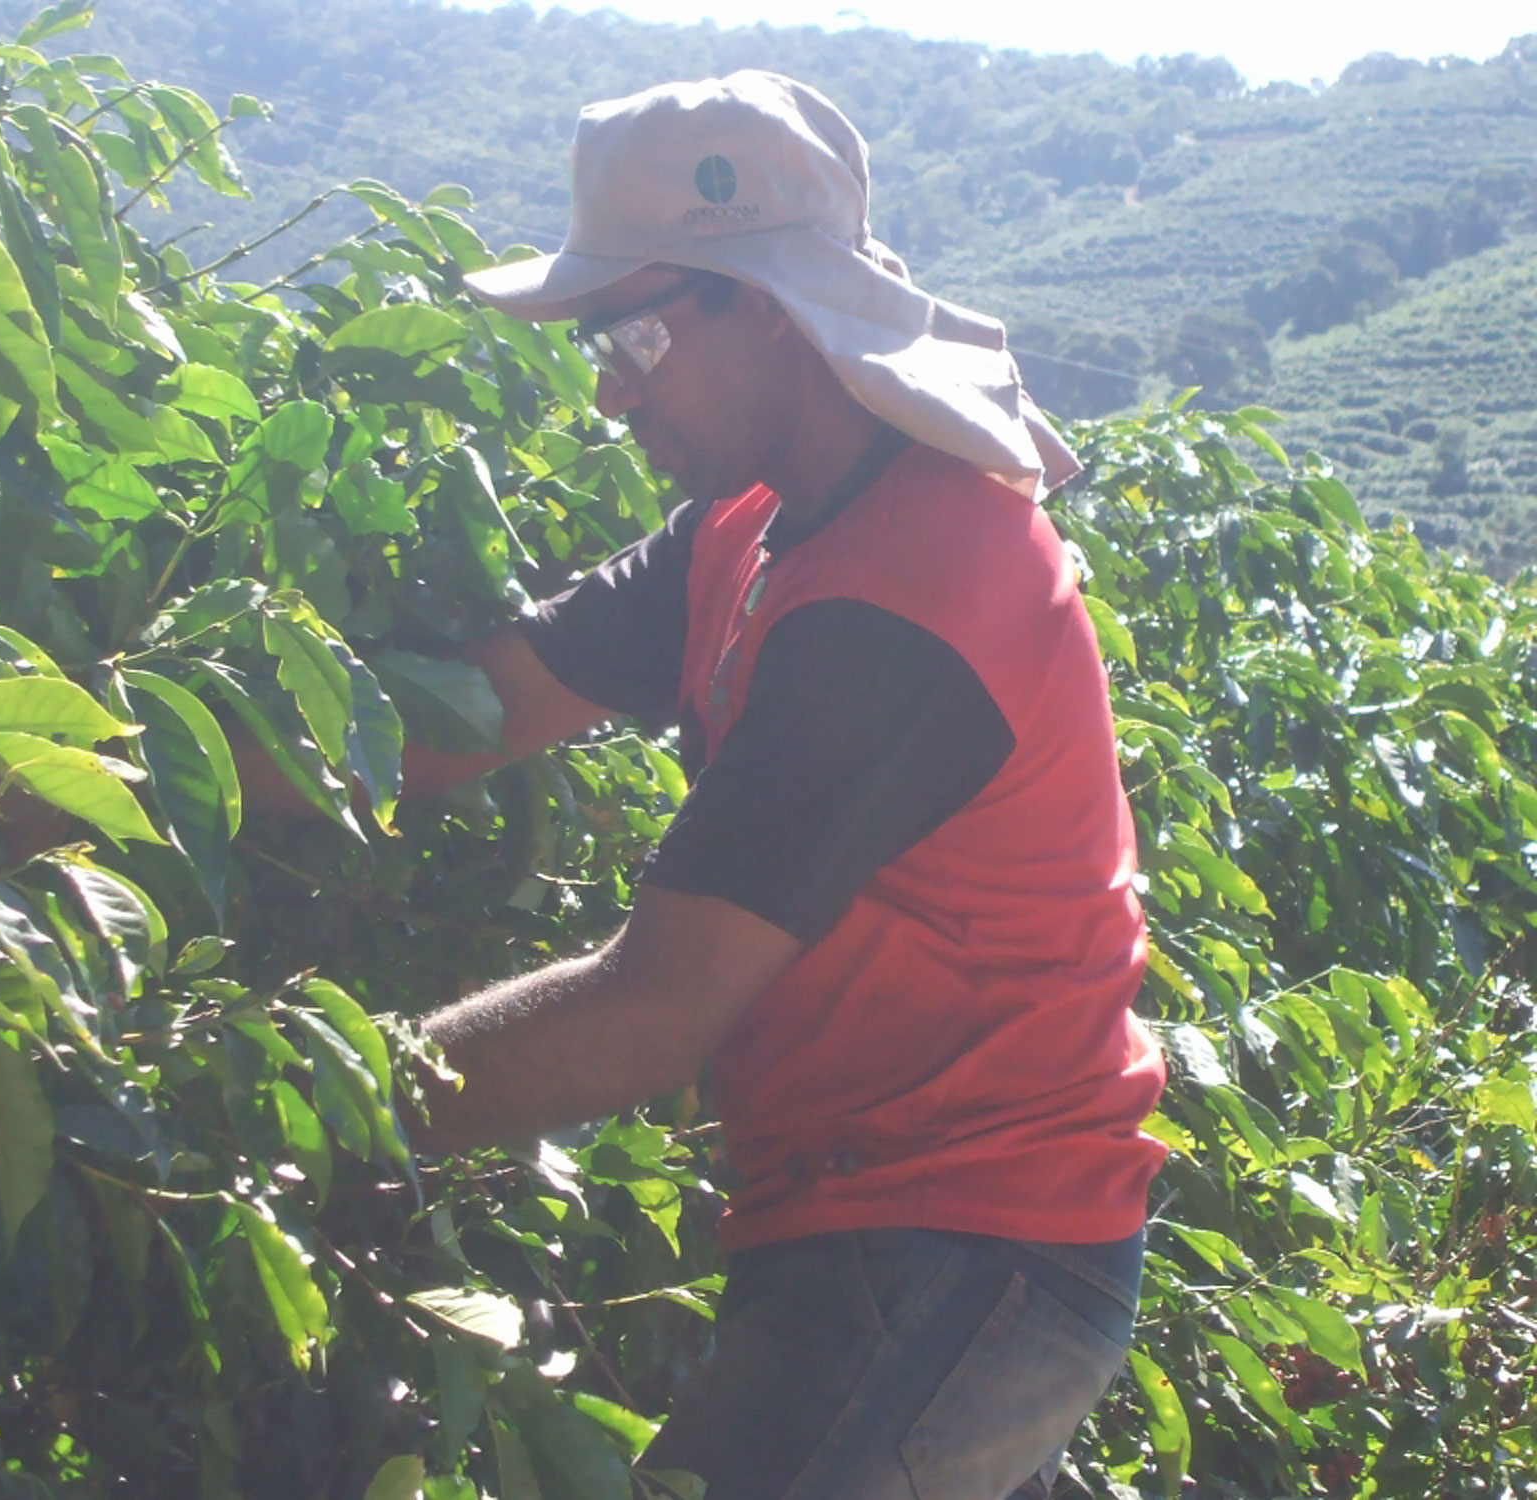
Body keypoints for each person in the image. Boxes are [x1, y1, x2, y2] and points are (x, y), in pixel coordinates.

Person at [398, 71, 1167, 1500]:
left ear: (764, 305)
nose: (608, 392)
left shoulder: (915, 592)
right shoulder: (750, 530)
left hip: (966, 1243)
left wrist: (293, 1105)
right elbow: (470, 712)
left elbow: (649, 1012)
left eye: (630, 336)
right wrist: (94, 769)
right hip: (878, 1222)